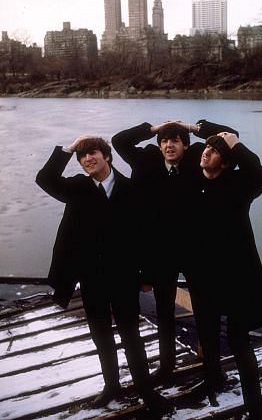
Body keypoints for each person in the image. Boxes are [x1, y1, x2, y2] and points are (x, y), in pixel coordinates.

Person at [35, 135, 173, 417]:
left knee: (131, 335)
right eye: (82, 156)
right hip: (91, 276)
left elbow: (147, 236)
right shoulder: (76, 188)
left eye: (92, 153)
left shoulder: (131, 189)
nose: (87, 159)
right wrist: (69, 148)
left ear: (107, 156)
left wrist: (148, 275)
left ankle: (145, 389)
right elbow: (45, 179)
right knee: (101, 335)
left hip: (124, 276)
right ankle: (112, 386)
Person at [112, 119, 238, 383]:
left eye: (176, 140)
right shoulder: (146, 160)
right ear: (159, 146)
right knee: (164, 311)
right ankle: (166, 366)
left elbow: (231, 137)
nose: (169, 145)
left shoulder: (197, 159)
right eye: (165, 141)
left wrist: (193, 127)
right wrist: (153, 129)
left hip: (197, 250)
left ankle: (213, 370)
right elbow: (119, 141)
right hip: (160, 252)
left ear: (186, 145)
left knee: (206, 310)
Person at [184, 132, 262, 420]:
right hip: (202, 277)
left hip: (237, 278)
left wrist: (236, 145)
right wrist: (193, 128)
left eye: (214, 151)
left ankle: (256, 407)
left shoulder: (239, 185)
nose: (205, 152)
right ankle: (214, 379)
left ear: (225, 162)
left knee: (239, 343)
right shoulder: (194, 182)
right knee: (208, 335)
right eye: (206, 148)